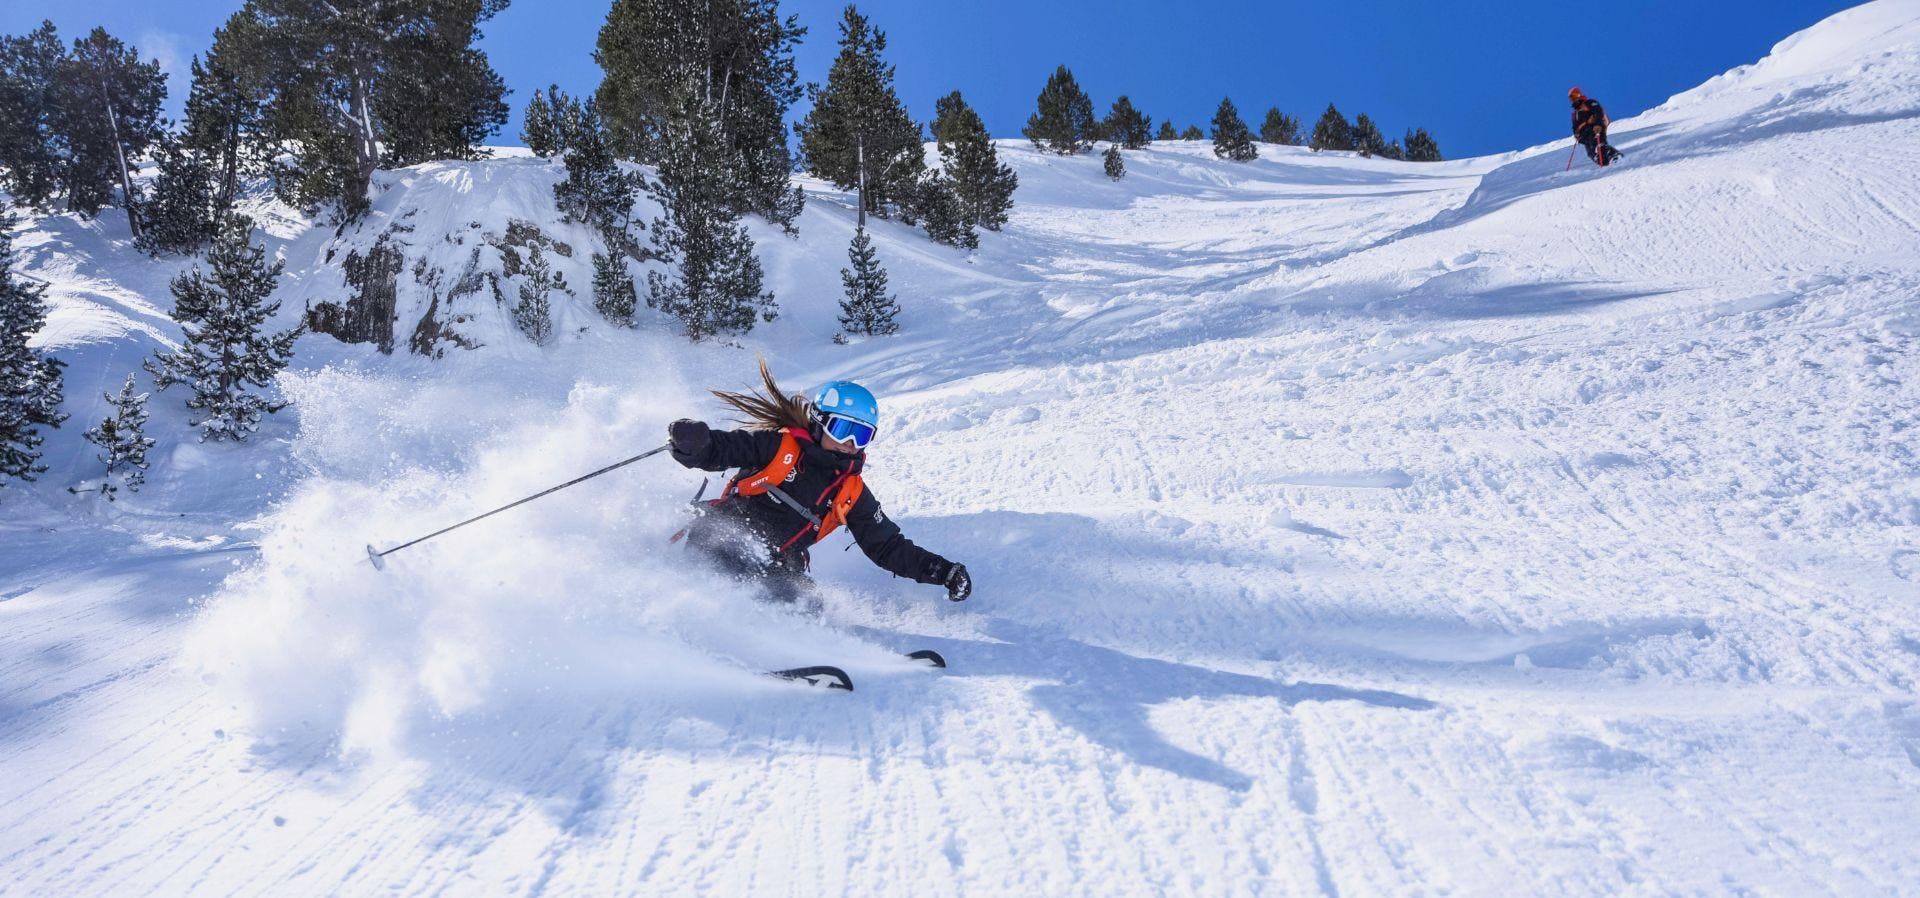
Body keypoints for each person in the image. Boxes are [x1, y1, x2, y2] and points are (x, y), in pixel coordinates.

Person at [667, 362, 971, 606]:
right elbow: (724, 449)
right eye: (842, 429)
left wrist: (942, 571)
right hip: (723, 538)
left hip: (775, 562)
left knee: (806, 604)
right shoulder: (778, 448)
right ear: (819, 421)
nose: (850, 443)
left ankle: (790, 654)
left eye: (861, 435)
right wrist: (696, 444)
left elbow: (887, 546)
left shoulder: (850, 492)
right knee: (739, 561)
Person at [1569, 87, 1622, 166]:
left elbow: (1598, 111)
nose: (1574, 99)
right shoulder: (1575, 114)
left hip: (1594, 129)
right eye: (1571, 98)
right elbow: (1575, 127)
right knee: (1592, 153)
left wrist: (1598, 124)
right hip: (1585, 137)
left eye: (1575, 95)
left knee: (1599, 146)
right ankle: (1607, 165)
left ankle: (1616, 156)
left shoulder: (1589, 103)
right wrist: (1577, 135)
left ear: (1580, 94)